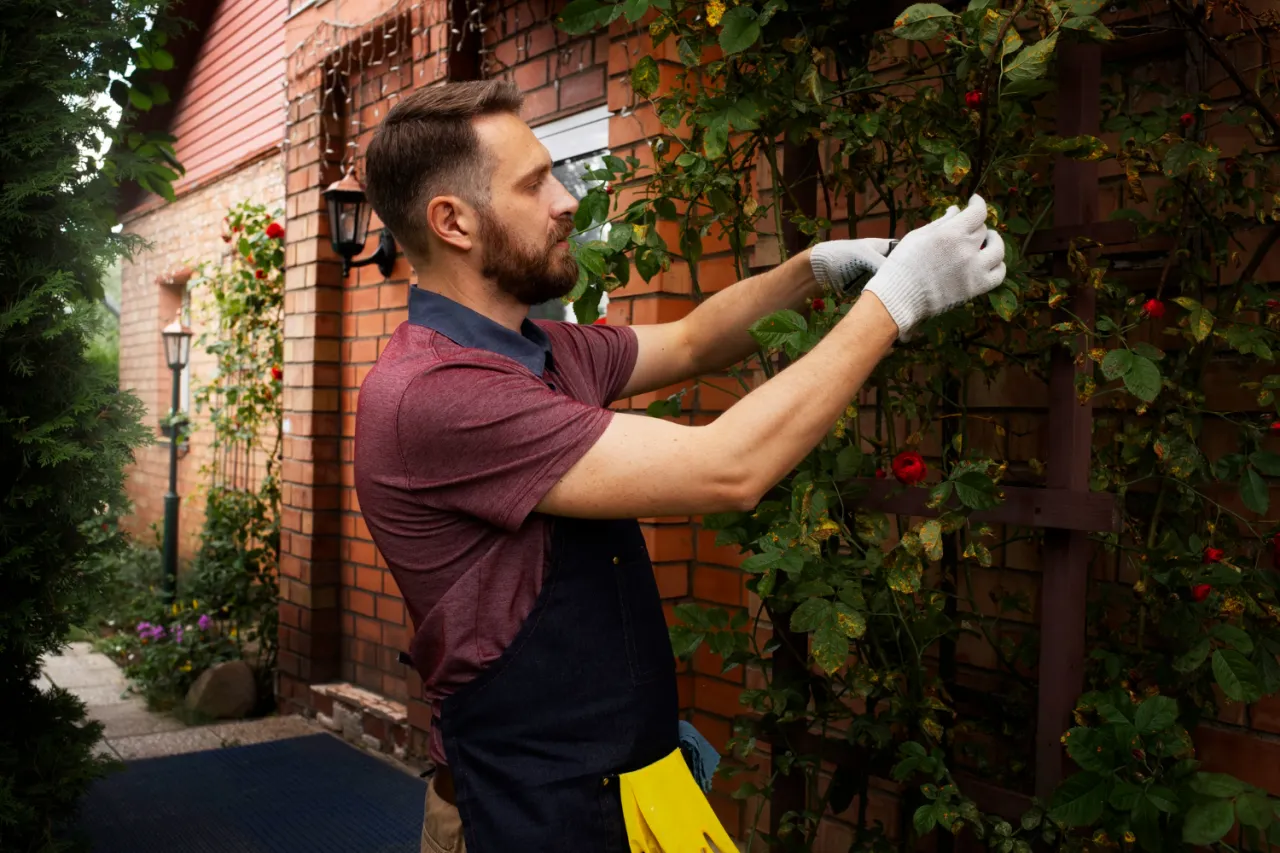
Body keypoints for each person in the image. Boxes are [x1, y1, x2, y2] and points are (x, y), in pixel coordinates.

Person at [353, 79, 1006, 853]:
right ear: (452, 221)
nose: (565, 200)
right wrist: (898, 300)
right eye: (534, 184)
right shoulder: (441, 393)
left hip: (617, 801)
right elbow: (728, 466)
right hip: (524, 818)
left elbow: (694, 340)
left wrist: (813, 270)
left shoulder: (541, 351)